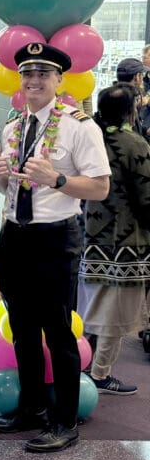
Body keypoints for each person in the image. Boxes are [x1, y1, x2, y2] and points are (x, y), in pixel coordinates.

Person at [0, 43, 110, 453]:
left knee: (57, 332)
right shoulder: (14, 127)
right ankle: (31, 408)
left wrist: (57, 180)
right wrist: (0, 177)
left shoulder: (79, 126)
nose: (34, 81)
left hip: (55, 237)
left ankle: (64, 422)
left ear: (59, 80)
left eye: (43, 74)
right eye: (28, 74)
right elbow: (9, 188)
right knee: (22, 327)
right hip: (14, 235)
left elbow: (100, 186)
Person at [78, 83, 150, 395]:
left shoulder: (90, 139)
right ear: (130, 110)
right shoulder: (134, 144)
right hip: (126, 240)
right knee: (115, 312)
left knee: (88, 305)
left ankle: (82, 365)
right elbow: (146, 198)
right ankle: (100, 373)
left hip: (87, 234)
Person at [113, 58, 150, 139]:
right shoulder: (128, 100)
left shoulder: (113, 95)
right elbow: (129, 134)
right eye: (141, 74)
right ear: (137, 77)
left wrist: (145, 130)